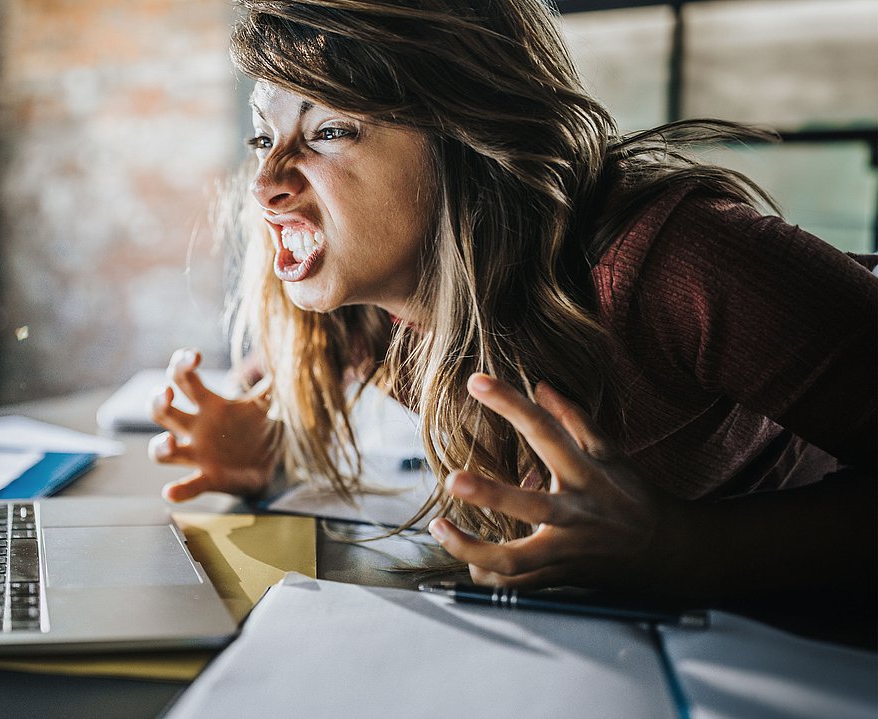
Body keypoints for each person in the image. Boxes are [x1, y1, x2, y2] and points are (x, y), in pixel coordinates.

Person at [147, 0, 877, 601]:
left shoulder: (684, 261)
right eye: (263, 134)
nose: (265, 181)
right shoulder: (371, 305)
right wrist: (270, 446)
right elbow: (263, 393)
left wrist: (684, 548)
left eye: (330, 130)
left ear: (472, 138)